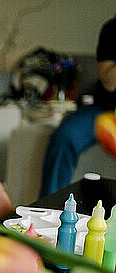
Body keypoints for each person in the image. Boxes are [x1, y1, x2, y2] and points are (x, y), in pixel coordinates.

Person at [39, 16, 116, 197]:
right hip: (104, 109)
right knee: (65, 136)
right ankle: (49, 206)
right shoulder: (112, 29)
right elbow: (110, 83)